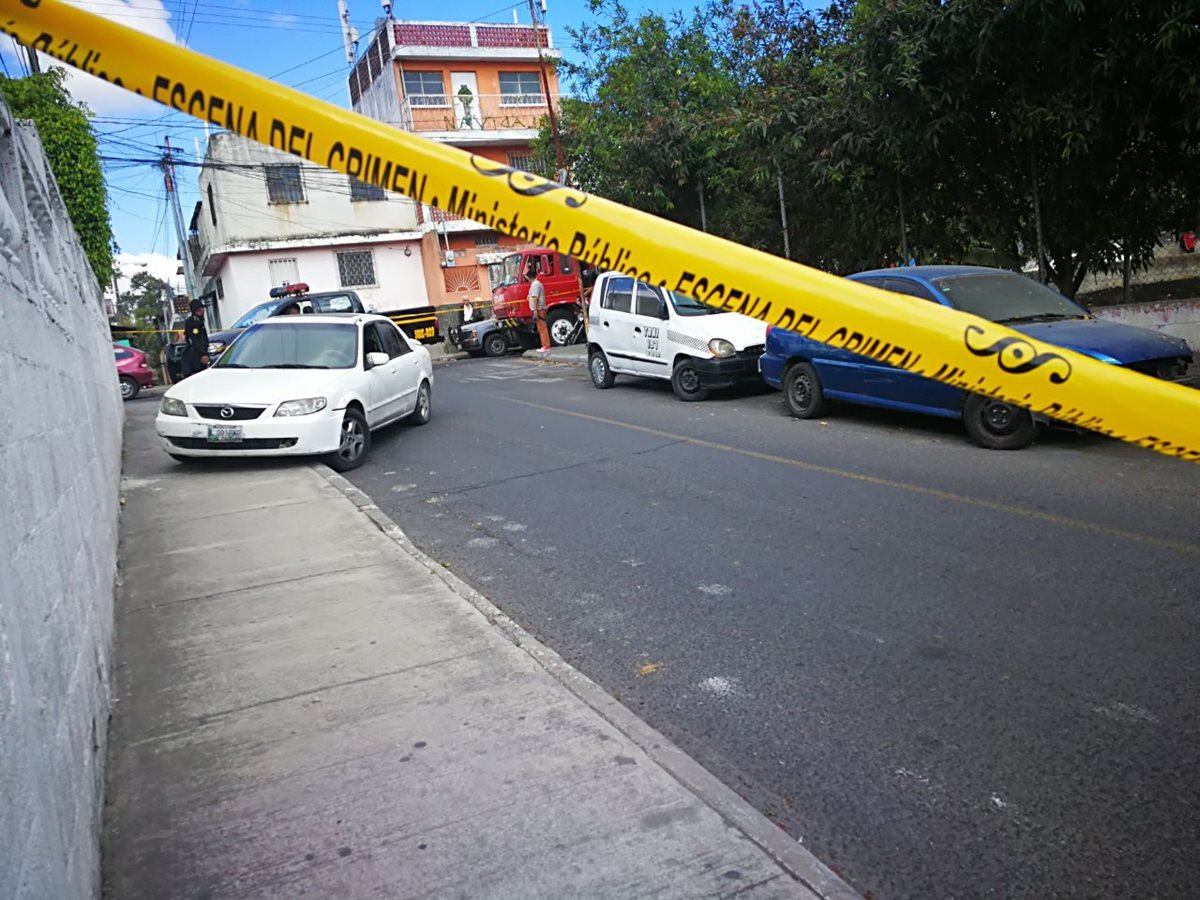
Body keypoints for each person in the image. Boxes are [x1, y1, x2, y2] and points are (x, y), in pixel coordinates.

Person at [180, 298, 210, 377]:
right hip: (195, 358)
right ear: (198, 309)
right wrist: (203, 354)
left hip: (197, 356)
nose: (203, 310)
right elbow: (195, 340)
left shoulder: (199, 321)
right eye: (202, 308)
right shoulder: (193, 322)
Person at [528, 269, 550, 352]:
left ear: (528, 277)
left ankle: (546, 346)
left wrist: (535, 310)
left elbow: (535, 297)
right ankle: (545, 345)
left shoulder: (535, 285)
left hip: (539, 309)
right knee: (541, 327)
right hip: (540, 308)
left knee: (542, 327)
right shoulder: (537, 284)